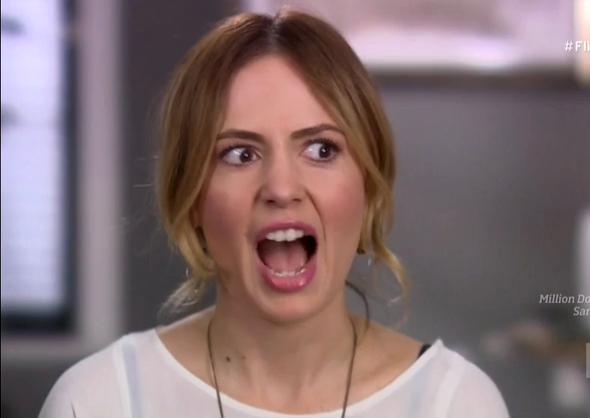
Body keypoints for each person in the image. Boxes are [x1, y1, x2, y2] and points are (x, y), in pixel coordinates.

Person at [40, 9, 509, 418]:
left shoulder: (455, 404)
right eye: (240, 154)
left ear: (368, 185)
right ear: (193, 195)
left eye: (321, 149)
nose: (282, 189)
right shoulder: (100, 401)